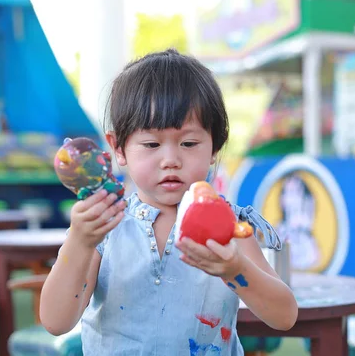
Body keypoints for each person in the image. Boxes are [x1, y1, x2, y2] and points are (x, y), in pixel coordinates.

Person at [40, 49, 298, 355]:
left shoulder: (227, 225)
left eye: (189, 143)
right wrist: (80, 243)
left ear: (215, 146)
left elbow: (284, 316)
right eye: (151, 144)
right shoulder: (105, 226)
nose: (171, 160)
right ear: (118, 148)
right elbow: (56, 321)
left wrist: (234, 269)